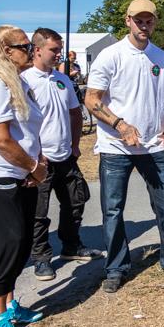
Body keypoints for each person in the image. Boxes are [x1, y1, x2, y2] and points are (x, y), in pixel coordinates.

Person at [85, 0, 164, 293]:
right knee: (113, 210)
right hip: (116, 146)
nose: (144, 26)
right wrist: (120, 125)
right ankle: (117, 267)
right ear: (127, 20)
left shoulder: (161, 57)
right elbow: (91, 100)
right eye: (139, 20)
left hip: (154, 145)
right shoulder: (111, 55)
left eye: (150, 21)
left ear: (155, 22)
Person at [22, 28, 102, 282]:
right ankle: (41, 257)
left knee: (75, 200)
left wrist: (76, 144)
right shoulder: (24, 81)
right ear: (36, 50)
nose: (59, 55)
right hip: (39, 159)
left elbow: (75, 113)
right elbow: (21, 122)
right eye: (53, 50)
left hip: (65, 154)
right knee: (38, 211)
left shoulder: (63, 79)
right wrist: (33, 156)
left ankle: (71, 245)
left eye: (60, 49)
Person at [0, 26, 46, 327]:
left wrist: (38, 161)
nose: (30, 49)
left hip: (24, 172)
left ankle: (10, 304)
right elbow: (0, 139)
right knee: (7, 244)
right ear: (6, 51)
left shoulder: (19, 82)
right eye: (24, 45)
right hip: (1, 174)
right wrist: (33, 166)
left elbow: (27, 131)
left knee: (23, 244)